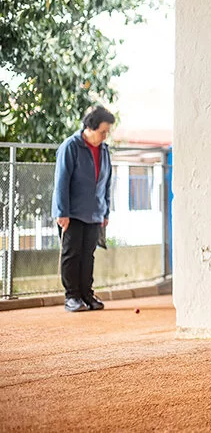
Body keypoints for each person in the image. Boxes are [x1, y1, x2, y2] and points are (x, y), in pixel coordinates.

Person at [52, 105, 116, 312]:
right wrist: (62, 212)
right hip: (72, 212)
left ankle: (87, 294)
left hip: (95, 212)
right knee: (72, 254)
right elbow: (61, 181)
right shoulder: (71, 146)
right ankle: (72, 296)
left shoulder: (104, 150)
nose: (105, 136)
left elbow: (106, 183)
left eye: (107, 132)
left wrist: (105, 211)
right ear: (90, 127)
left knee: (88, 255)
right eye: (102, 131)